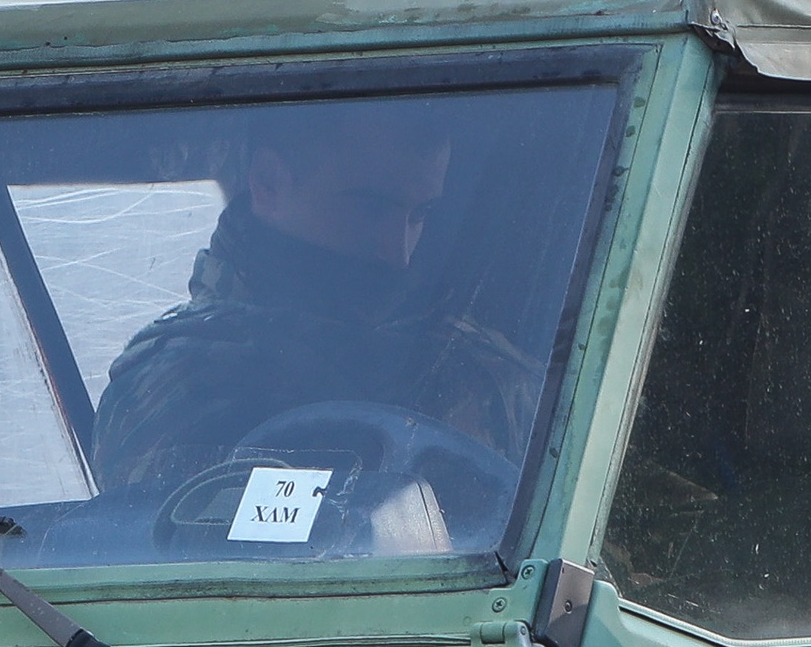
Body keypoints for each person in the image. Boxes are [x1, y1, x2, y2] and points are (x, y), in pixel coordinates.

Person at [92, 108, 539, 496]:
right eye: (368, 208)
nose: (398, 253)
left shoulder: (487, 377)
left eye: (417, 216)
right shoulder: (171, 387)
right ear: (268, 184)